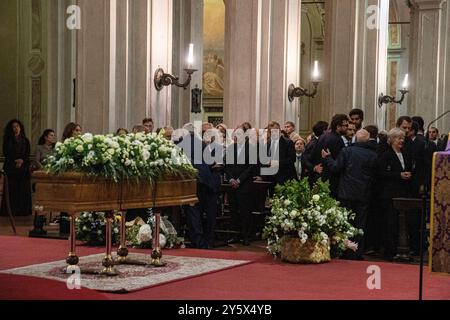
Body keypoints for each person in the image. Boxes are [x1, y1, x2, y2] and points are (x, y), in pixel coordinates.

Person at [322, 129, 378, 260]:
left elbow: (336, 168)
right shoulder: (373, 155)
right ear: (368, 139)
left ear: (355, 139)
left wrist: (328, 158)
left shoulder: (347, 151)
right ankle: (356, 252)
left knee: (345, 222)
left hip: (346, 192)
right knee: (360, 225)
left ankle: (342, 249)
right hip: (364, 193)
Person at [377, 128, 413, 261]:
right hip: (390, 194)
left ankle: (401, 249)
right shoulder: (386, 155)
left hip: (403, 193)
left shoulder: (405, 153)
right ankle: (389, 251)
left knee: (401, 223)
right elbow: (380, 173)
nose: (402, 140)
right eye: (399, 138)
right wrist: (399, 175)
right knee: (390, 223)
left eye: (403, 138)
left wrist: (408, 174)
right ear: (392, 140)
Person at [311, 114, 349, 198]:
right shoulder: (338, 140)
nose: (347, 127)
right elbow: (338, 163)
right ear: (338, 126)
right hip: (332, 180)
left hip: (319, 176)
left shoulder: (322, 136)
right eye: (346, 125)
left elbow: (312, 156)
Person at [1, 120, 32, 217]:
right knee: (12, 190)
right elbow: (7, 153)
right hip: (11, 168)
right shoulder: (7, 141)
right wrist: (16, 160)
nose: (16, 128)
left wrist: (22, 160)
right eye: (14, 127)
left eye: (17, 126)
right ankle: (11, 210)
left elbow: (27, 153)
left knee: (23, 189)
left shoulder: (25, 140)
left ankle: (23, 210)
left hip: (23, 168)